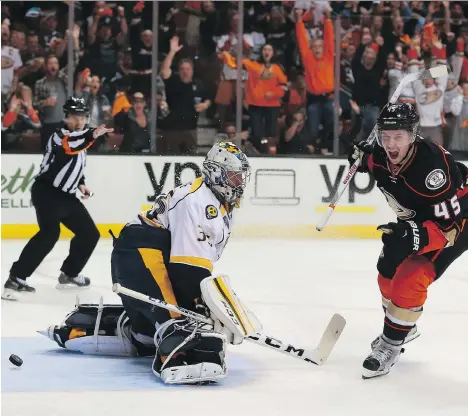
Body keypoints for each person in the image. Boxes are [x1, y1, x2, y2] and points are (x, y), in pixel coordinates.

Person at [39, 142, 256, 385]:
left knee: (147, 335)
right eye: (234, 176)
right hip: (140, 256)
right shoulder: (198, 202)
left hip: (142, 257)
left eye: (241, 177)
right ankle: (177, 351)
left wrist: (206, 308)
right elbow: (187, 272)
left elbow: (192, 268)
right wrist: (204, 309)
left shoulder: (220, 204)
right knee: (179, 324)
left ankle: (134, 328)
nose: (239, 183)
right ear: (216, 173)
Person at [348, 103, 468, 379]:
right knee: (386, 272)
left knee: (411, 277)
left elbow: (449, 229)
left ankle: (390, 345)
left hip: (458, 222)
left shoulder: (433, 171)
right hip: (422, 221)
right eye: (386, 136)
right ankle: (404, 325)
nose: (391, 144)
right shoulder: (382, 155)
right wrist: (359, 158)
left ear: (413, 135)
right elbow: (373, 161)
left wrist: (414, 237)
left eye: (398, 137)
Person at [2, 97, 113, 301]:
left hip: (67, 196)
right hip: (47, 193)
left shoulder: (81, 137)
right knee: (50, 233)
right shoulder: (60, 135)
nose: (79, 121)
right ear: (66, 117)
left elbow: (75, 164)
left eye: (83, 117)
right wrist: (93, 133)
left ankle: (69, 274)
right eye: (75, 116)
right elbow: (70, 147)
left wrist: (81, 183)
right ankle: (16, 278)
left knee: (89, 234)